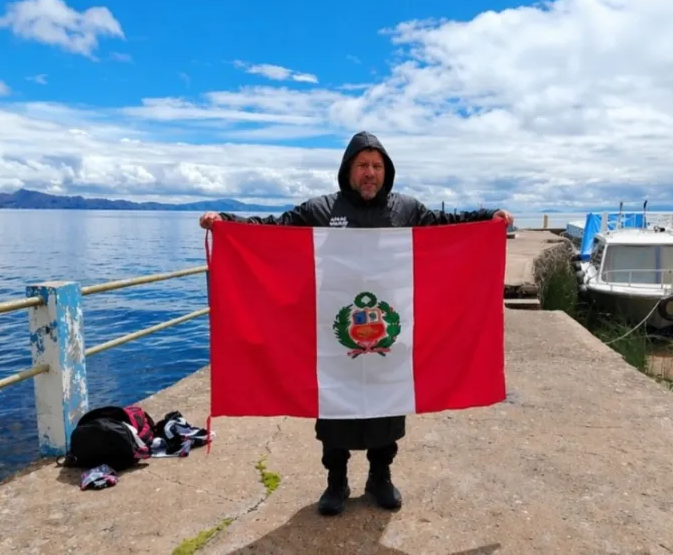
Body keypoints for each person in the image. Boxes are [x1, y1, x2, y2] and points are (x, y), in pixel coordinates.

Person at [199, 131, 514, 516]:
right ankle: (337, 481)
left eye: (377, 166)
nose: (370, 173)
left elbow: (446, 224)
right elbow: (274, 227)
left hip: (389, 334)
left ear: (387, 171)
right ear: (348, 169)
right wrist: (226, 222)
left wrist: (489, 218)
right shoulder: (321, 209)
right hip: (334, 336)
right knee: (335, 414)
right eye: (363, 165)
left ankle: (380, 476)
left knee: (387, 409)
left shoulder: (406, 209)